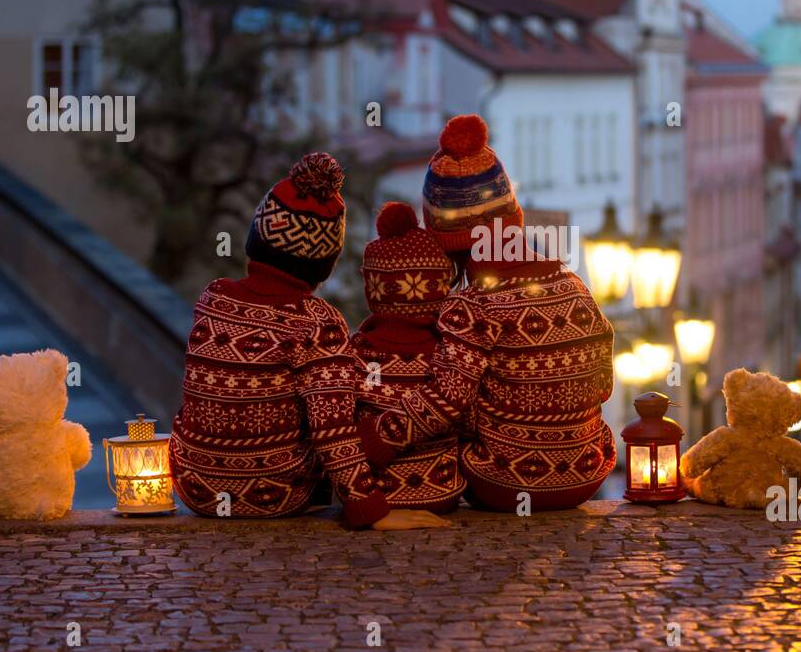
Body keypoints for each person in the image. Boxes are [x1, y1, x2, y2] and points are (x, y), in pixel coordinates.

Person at [167, 152, 443, 530]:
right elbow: (333, 430)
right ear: (323, 262)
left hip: (194, 487)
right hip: (272, 495)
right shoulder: (317, 322)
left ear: (257, 236)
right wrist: (371, 510)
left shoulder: (213, 298)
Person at [360, 115, 617, 511]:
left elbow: (446, 400)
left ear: (448, 244)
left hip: (504, 484)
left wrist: (377, 437)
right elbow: (603, 384)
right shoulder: (573, 285)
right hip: (586, 474)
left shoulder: (473, 307)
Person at [349, 202, 462, 518]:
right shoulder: (450, 350)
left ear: (373, 288)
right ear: (439, 286)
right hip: (442, 494)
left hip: (378, 497)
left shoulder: (355, 353)